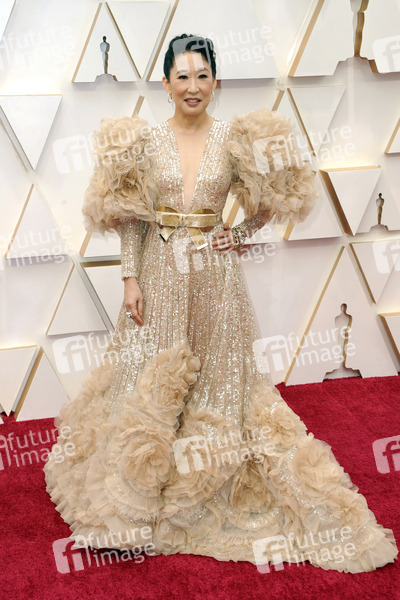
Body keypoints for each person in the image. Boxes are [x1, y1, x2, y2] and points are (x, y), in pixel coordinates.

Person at [44, 34, 398, 573]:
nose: (193, 86)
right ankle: (134, 490)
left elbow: (279, 194)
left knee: (219, 378)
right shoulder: (145, 141)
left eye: (202, 76)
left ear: (216, 82)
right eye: (182, 76)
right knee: (150, 376)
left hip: (214, 275)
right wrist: (130, 279)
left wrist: (243, 232)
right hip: (160, 273)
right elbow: (134, 219)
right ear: (166, 84)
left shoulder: (235, 138)